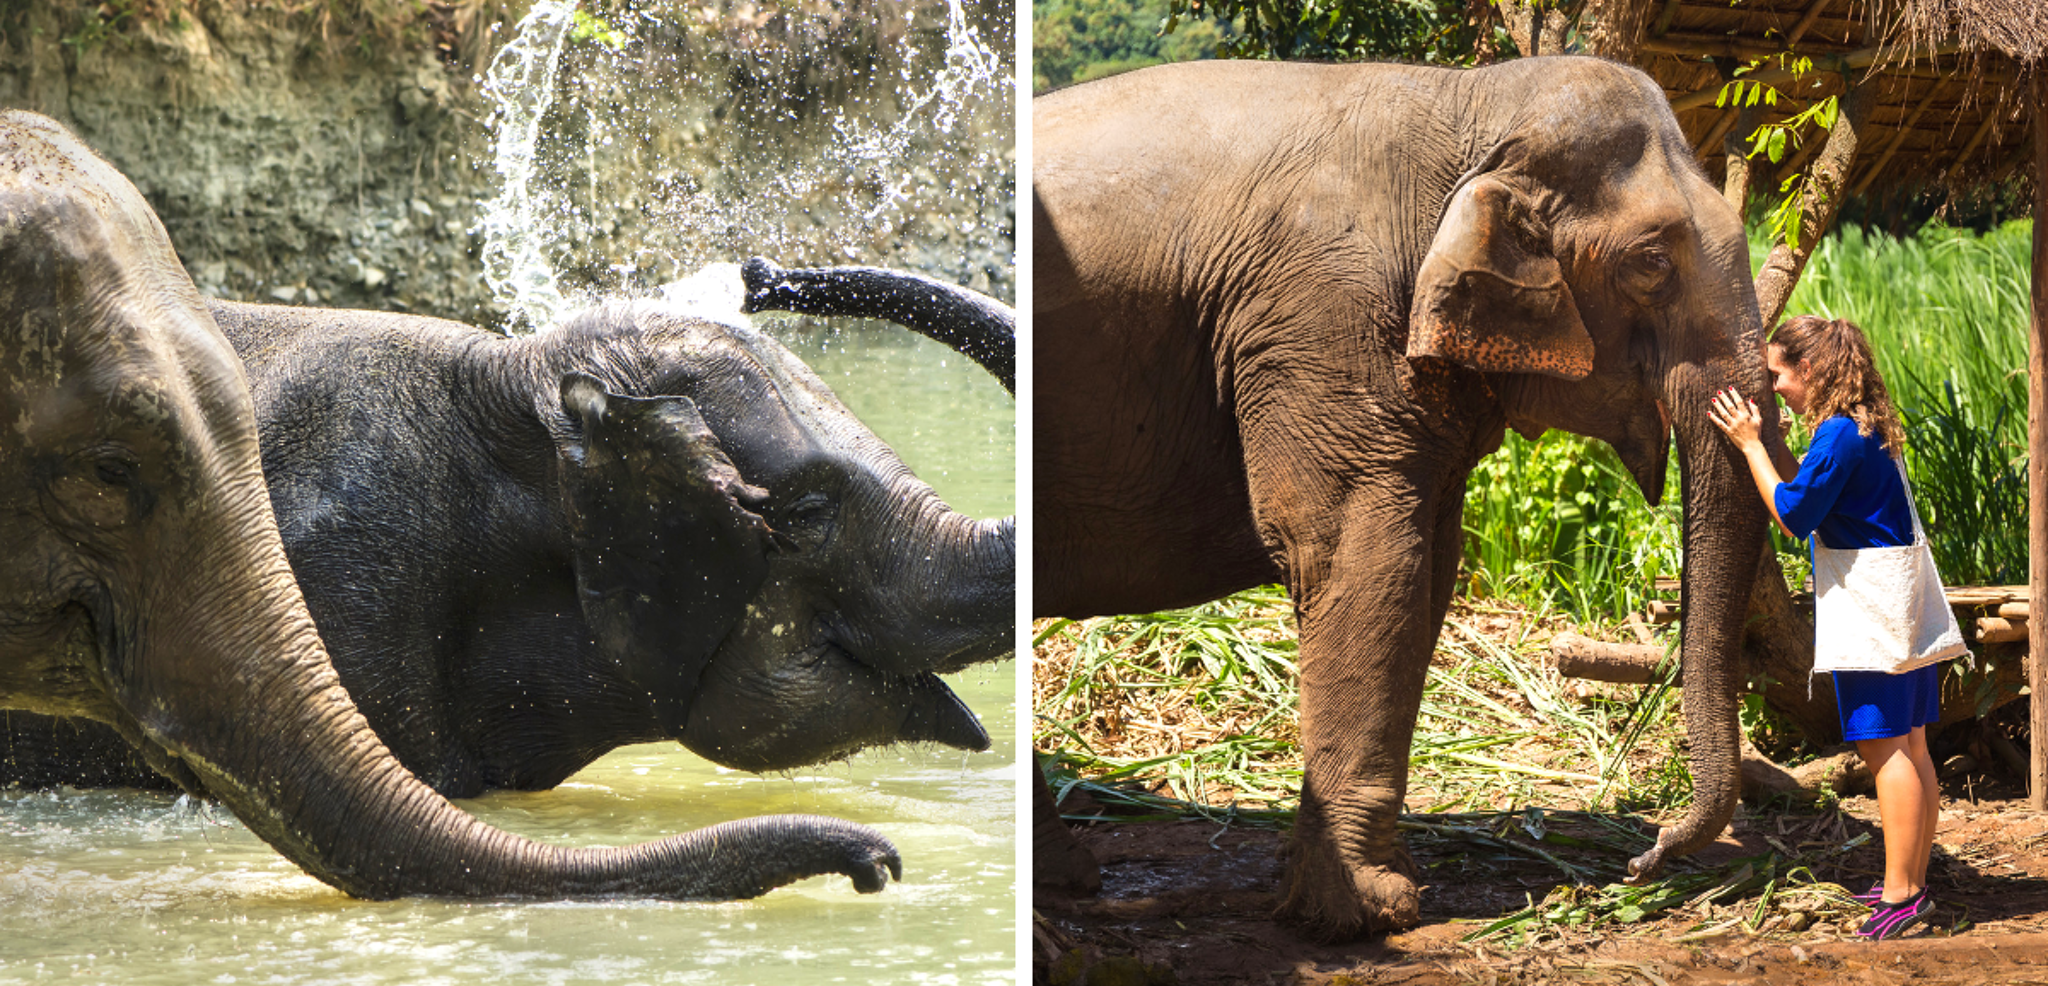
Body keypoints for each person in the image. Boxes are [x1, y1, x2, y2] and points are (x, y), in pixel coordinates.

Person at [1708, 314, 1960, 942]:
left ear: (1811, 370)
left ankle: (1903, 897)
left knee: (1886, 750)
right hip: (1905, 600)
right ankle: (1913, 881)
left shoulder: (1839, 435)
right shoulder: (1864, 426)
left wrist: (1750, 444)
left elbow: (1794, 513)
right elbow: (1818, 492)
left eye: (1777, 376)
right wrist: (1779, 443)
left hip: (1874, 608)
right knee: (1915, 745)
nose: (1774, 388)